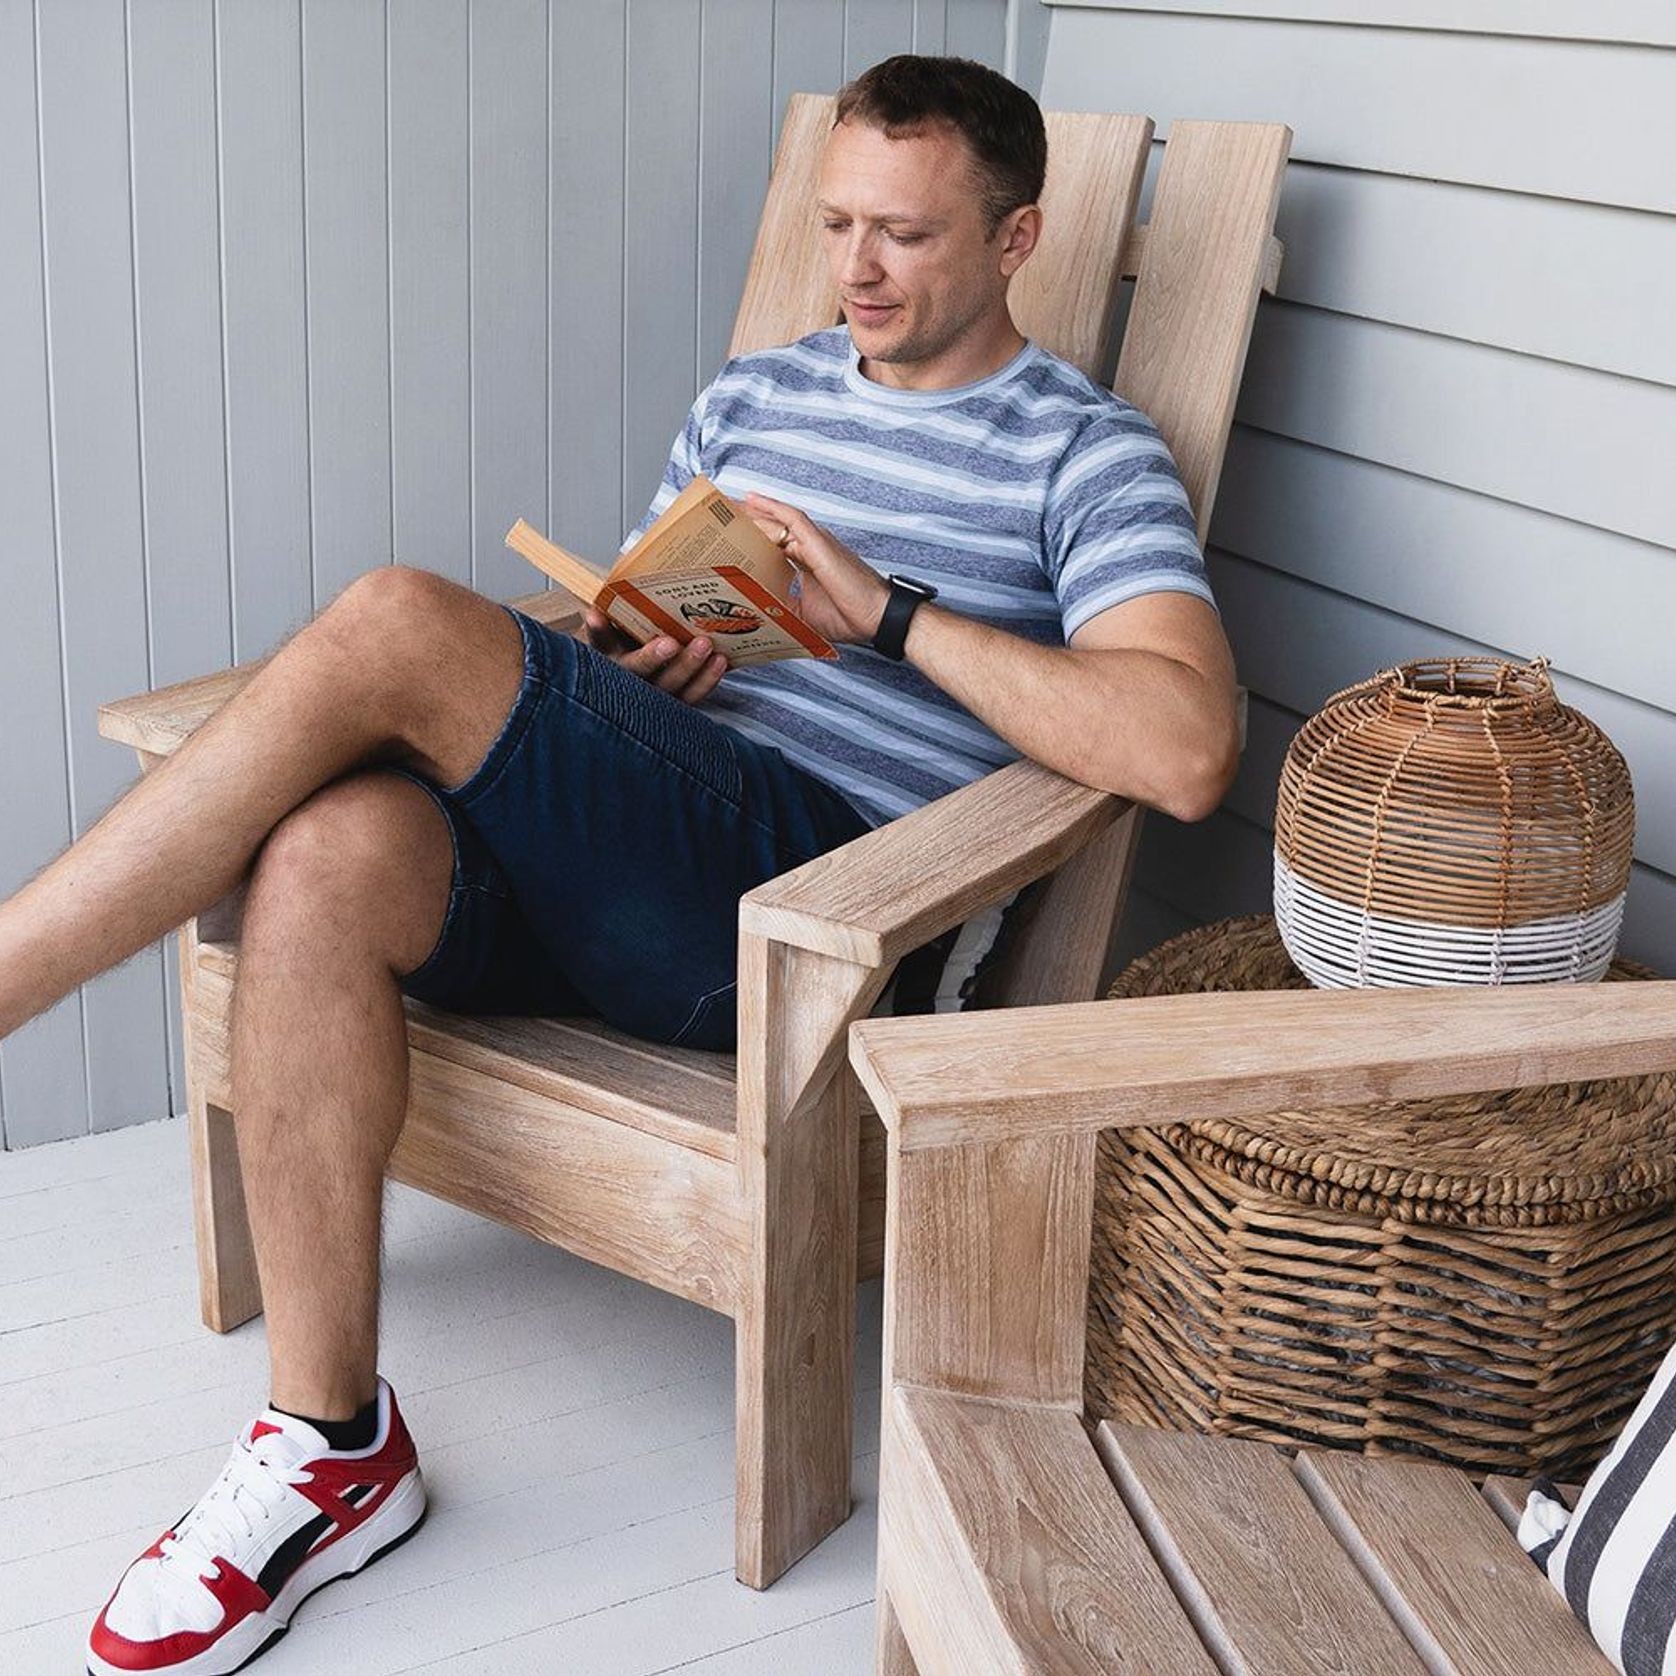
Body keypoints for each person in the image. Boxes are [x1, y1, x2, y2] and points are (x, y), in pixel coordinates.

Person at [58, 52, 1239, 1676]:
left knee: (403, 617)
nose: (858, 270)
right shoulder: (753, 399)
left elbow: (1183, 751)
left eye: (903, 233)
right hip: (646, 858)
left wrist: (884, 614)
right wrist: (633, 664)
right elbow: (638, 653)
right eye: (837, 226)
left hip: (808, 919)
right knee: (331, 846)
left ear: (1018, 237)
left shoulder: (1081, 456)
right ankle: (330, 1447)